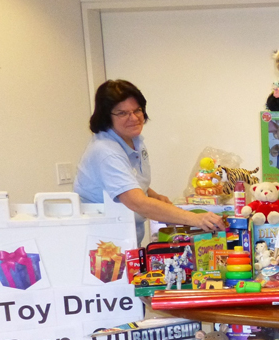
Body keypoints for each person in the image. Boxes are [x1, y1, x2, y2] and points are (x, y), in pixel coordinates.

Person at [74, 80, 225, 243]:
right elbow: (137, 202)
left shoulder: (133, 140)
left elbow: (129, 179)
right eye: (122, 113)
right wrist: (195, 219)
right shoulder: (105, 151)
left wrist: (154, 196)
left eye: (137, 110)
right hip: (104, 244)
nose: (133, 118)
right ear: (106, 117)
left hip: (125, 237)